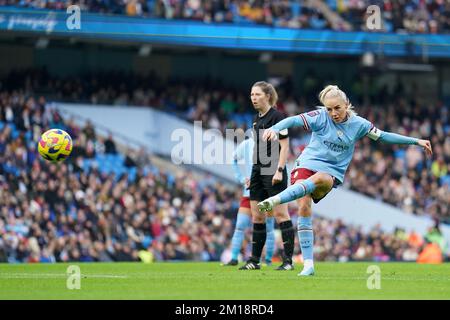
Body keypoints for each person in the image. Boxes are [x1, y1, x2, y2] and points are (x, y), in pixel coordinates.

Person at [258, 85, 433, 276]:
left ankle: (276, 199)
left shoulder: (360, 125)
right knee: (304, 207)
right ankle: (308, 265)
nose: (333, 113)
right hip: (307, 163)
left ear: (346, 104)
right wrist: (275, 128)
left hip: (332, 171)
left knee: (321, 178)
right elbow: (293, 120)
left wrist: (415, 141)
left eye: (337, 108)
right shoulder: (320, 117)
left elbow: (384, 136)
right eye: (329, 109)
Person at [239, 81, 296, 271]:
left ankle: (288, 261)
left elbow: (285, 145)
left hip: (273, 169)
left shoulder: (278, 117)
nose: (253, 98)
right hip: (257, 170)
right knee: (257, 216)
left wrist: (280, 170)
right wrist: (251, 174)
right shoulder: (256, 119)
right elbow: (258, 147)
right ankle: (254, 261)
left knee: (281, 214)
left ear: (268, 96)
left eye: (257, 94)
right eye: (252, 95)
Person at [223, 136, 275, 266]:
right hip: (249, 192)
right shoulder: (247, 144)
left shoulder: (271, 143)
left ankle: (267, 260)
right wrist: (241, 178)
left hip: (266, 192)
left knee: (268, 226)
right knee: (240, 224)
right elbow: (233, 159)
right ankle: (234, 258)